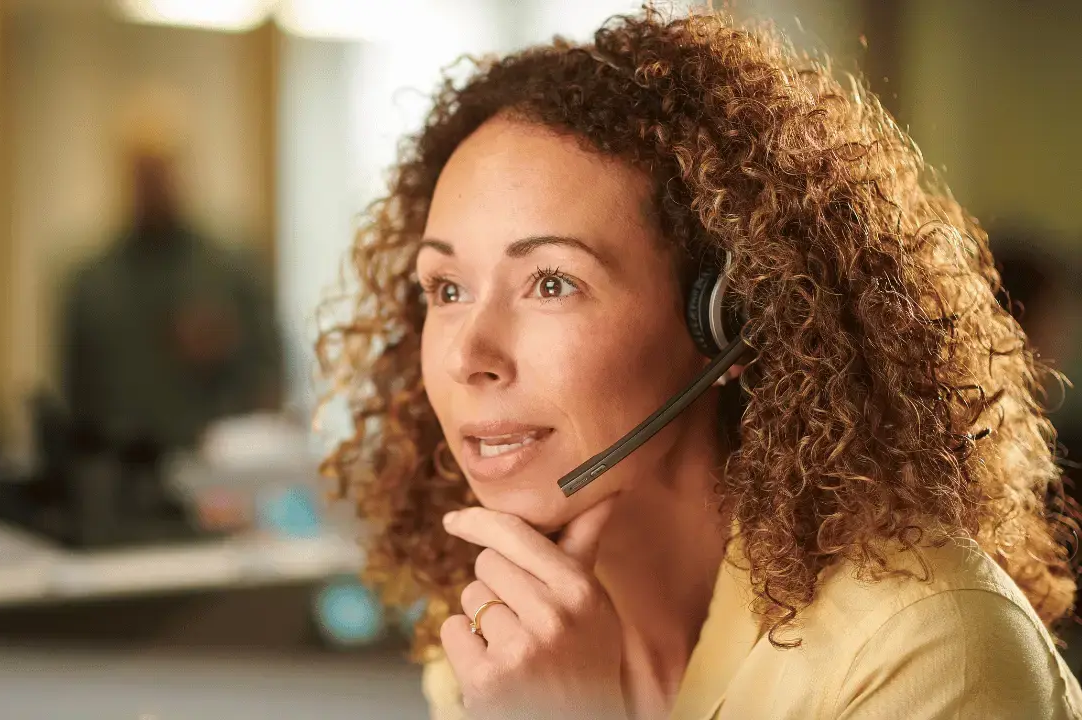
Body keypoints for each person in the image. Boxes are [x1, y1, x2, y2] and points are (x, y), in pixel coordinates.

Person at [315, 7, 1082, 720]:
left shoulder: (928, 644)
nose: (465, 356)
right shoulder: (502, 638)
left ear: (734, 315)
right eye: (446, 288)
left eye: (552, 283)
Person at [62, 141, 280, 453]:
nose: (154, 183)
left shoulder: (232, 271)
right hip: (123, 471)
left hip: (215, 469)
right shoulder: (91, 283)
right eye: (144, 172)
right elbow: (76, 397)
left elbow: (268, 374)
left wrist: (225, 347)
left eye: (162, 169)